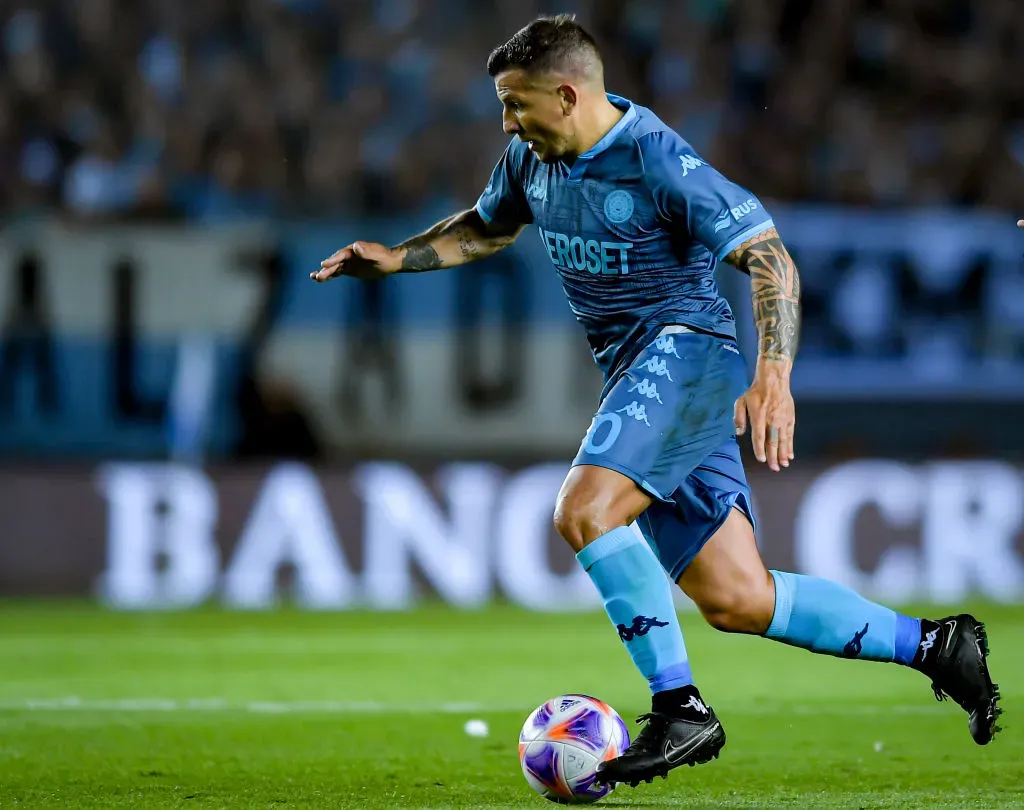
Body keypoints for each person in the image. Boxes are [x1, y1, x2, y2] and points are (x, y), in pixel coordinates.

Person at [313, 14, 1001, 788]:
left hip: (686, 354)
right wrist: (395, 259)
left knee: (583, 511)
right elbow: (485, 228)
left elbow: (770, 257)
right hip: (643, 378)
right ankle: (935, 646)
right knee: (739, 598)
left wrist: (774, 372)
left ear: (568, 95)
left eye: (517, 104)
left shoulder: (655, 159)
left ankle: (681, 709)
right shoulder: (529, 161)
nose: (507, 121)